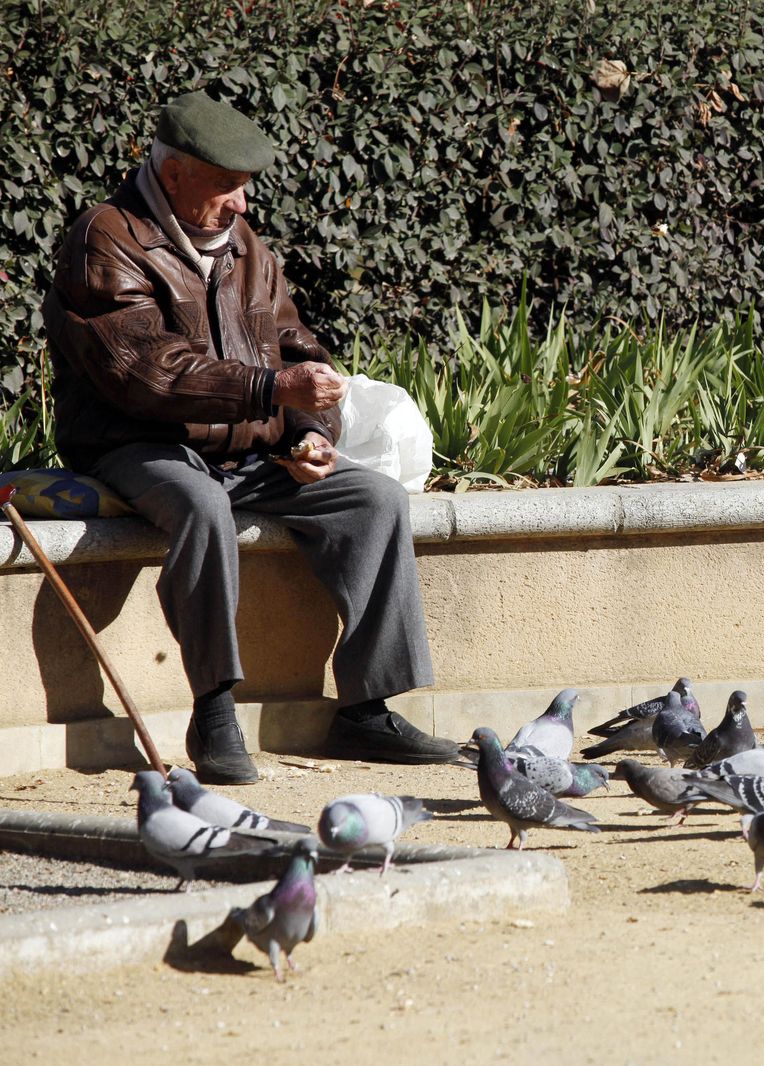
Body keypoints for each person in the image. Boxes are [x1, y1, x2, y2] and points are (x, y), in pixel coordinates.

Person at [40, 91, 456, 783]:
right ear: (174, 174)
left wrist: (309, 433)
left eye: (246, 188)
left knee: (374, 498)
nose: (241, 204)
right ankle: (215, 712)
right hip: (137, 443)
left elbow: (293, 344)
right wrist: (270, 393)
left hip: (248, 444)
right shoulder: (105, 237)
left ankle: (367, 710)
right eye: (227, 185)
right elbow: (142, 370)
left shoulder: (245, 247)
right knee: (201, 508)